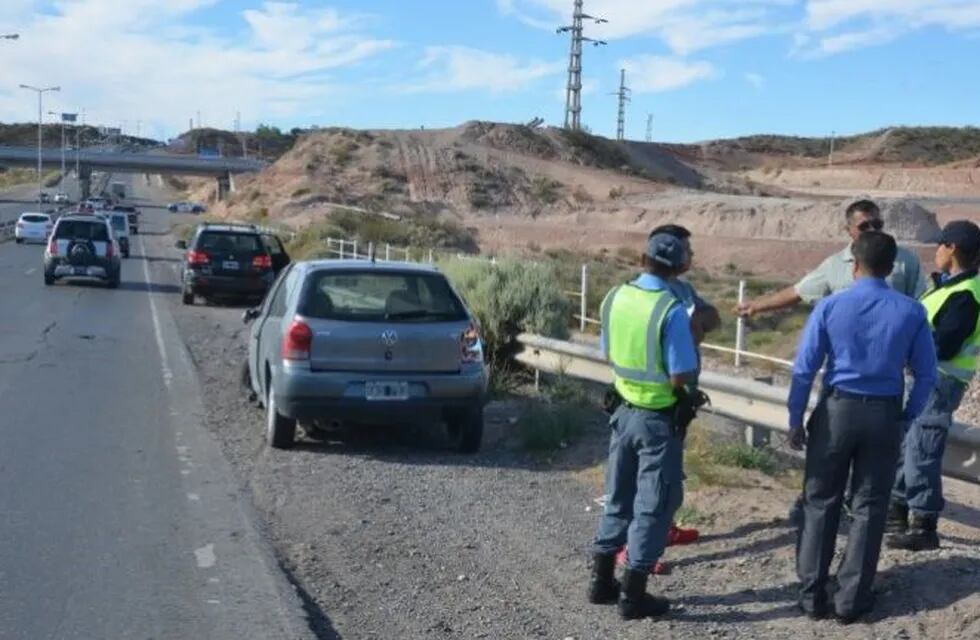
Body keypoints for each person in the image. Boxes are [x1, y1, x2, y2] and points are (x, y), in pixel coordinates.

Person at [788, 231, 937, 624]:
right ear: (892, 268)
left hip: (836, 411)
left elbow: (804, 370)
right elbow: (926, 375)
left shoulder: (831, 306)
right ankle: (851, 600)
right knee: (870, 508)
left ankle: (811, 595)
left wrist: (795, 420)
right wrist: (907, 414)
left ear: (853, 263)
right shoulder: (911, 311)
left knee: (821, 501)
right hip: (883, 414)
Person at [588, 233, 699, 620]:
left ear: (642, 257)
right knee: (655, 504)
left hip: (622, 412)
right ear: (681, 266)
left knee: (618, 494)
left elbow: (606, 352)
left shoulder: (615, 297)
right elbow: (681, 373)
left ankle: (601, 581)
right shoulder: (670, 308)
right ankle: (633, 595)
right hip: (657, 420)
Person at [612, 224, 720, 575]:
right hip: (656, 403)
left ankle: (659, 533)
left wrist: (695, 326)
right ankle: (635, 554)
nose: (689, 256)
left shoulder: (683, 291)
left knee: (665, 481)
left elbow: (713, 317)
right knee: (648, 488)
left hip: (673, 405)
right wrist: (686, 332)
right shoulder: (646, 297)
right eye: (685, 251)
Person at [887, 220, 980, 551]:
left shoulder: (966, 294)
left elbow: (946, 343)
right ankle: (895, 513)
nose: (936, 251)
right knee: (907, 444)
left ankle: (924, 524)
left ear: (952, 247)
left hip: (941, 378)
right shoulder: (946, 286)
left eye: (940, 245)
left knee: (921, 447)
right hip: (927, 376)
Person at [736, 199, 926, 318]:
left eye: (877, 224)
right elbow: (799, 292)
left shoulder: (906, 260)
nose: (872, 230)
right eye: (864, 226)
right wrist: (757, 306)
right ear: (849, 230)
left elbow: (922, 304)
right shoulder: (834, 265)